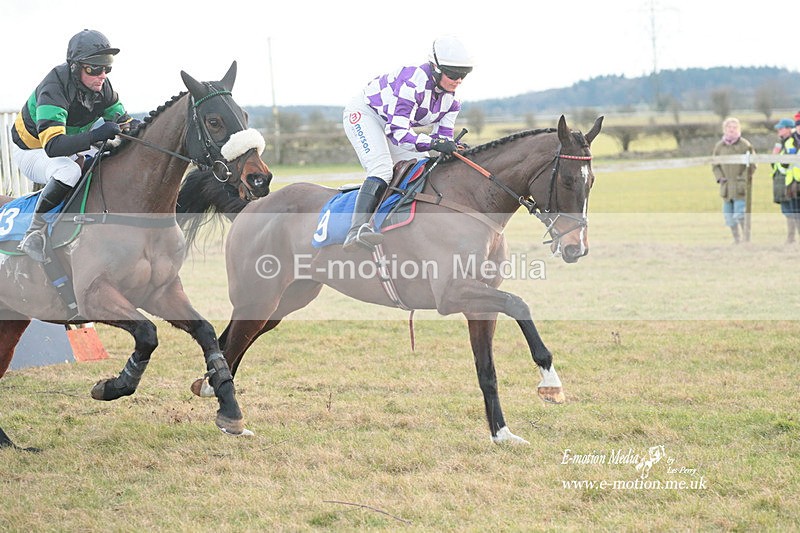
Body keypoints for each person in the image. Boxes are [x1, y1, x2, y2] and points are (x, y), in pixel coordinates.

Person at [11, 29, 139, 262]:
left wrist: (137, 127)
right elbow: (53, 146)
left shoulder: (104, 87)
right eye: (95, 68)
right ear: (75, 67)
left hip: (67, 143)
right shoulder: (54, 87)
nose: (102, 75)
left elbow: (125, 122)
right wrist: (97, 135)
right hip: (33, 149)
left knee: (110, 156)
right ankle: (34, 232)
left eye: (107, 68)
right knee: (68, 170)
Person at [341, 36, 473, 252]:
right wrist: (436, 143)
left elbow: (442, 139)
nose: (458, 80)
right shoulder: (412, 82)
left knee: (420, 166)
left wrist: (451, 148)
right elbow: (399, 134)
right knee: (382, 169)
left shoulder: (452, 100)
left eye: (464, 75)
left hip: (392, 123)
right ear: (436, 68)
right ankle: (356, 230)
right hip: (366, 114)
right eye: (453, 74)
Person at [711, 117, 756, 244]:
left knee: (740, 214)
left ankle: (746, 239)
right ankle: (736, 239)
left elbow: (753, 163)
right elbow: (715, 164)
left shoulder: (745, 145)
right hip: (726, 187)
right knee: (729, 217)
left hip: (740, 186)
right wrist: (720, 177)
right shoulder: (719, 146)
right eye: (729, 127)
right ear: (725, 129)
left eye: (734, 127)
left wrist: (743, 178)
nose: (732, 130)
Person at [771, 118, 799, 244]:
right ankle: (791, 237)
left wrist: (776, 158)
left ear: (789, 129)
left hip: (791, 180)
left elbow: (786, 163)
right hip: (782, 180)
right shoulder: (781, 144)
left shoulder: (791, 143)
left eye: (781, 128)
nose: (779, 131)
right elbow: (775, 164)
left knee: (794, 210)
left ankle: (791, 238)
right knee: (788, 210)